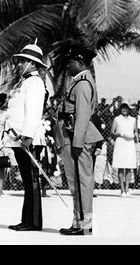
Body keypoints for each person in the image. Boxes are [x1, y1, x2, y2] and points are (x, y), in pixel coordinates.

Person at [58, 41, 103, 235]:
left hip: (79, 138)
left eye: (70, 61)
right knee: (76, 181)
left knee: (83, 181)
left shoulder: (83, 84)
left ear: (80, 62)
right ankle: (78, 222)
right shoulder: (78, 81)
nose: (67, 65)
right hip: (73, 136)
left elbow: (83, 115)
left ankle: (84, 225)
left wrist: (77, 143)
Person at [4, 41, 47, 232]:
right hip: (19, 139)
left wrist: (28, 136)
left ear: (33, 63)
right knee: (27, 183)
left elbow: (34, 112)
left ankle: (34, 222)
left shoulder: (36, 83)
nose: (19, 64)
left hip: (28, 140)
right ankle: (27, 219)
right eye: (20, 61)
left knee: (32, 183)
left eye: (23, 61)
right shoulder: (25, 82)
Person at [111, 103, 137, 197]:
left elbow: (135, 132)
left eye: (126, 108)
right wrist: (121, 134)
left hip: (130, 144)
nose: (124, 109)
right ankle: (122, 190)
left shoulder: (133, 119)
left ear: (129, 109)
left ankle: (127, 188)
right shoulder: (117, 119)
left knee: (129, 167)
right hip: (120, 143)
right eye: (123, 108)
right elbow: (112, 132)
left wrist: (135, 138)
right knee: (121, 167)